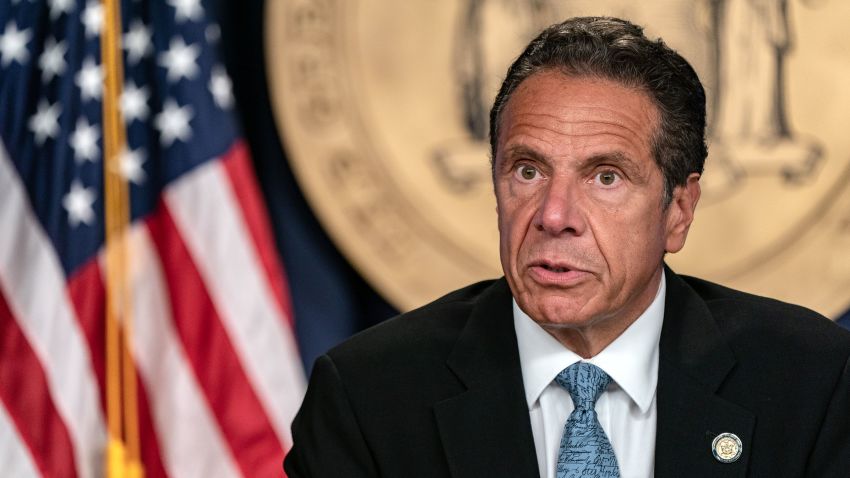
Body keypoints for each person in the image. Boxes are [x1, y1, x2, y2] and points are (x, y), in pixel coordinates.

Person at [284, 17, 850, 478]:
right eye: (528, 171)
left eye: (605, 177)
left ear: (679, 210)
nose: (554, 216)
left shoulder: (810, 383)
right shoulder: (369, 397)